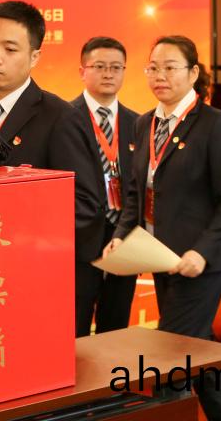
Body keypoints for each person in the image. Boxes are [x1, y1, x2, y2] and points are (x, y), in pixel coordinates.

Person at [104, 35, 221, 421]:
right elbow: (136, 194)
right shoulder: (143, 124)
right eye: (153, 68)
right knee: (196, 353)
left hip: (197, 263)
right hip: (159, 258)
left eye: (170, 67)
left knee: (170, 356)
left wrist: (202, 250)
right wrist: (120, 237)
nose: (159, 76)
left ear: (193, 73)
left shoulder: (215, 124)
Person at [0, 0, 102, 331]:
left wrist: (15, 228)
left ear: (34, 57)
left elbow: (86, 203)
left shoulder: (60, 117)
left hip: (40, 276)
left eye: (10, 49)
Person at [72, 36, 138, 337]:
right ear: (82, 71)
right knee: (77, 321)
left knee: (117, 321)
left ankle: (115, 370)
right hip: (81, 234)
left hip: (124, 233)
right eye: (99, 66)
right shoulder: (66, 118)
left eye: (116, 67)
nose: (108, 74)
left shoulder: (138, 122)